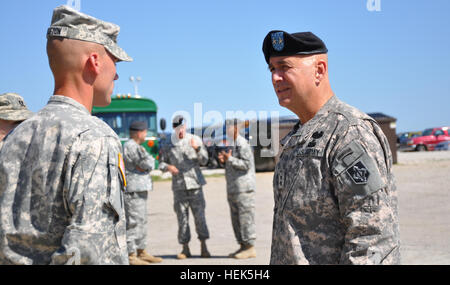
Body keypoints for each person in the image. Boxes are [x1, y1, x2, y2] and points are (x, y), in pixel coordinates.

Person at [0, 5, 132, 265]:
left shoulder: (16, 135)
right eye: (114, 61)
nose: (116, 73)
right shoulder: (93, 137)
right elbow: (90, 250)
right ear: (94, 62)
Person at [262, 30, 401, 265]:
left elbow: (372, 237)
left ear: (319, 70)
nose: (275, 77)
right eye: (272, 69)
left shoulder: (348, 132)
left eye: (284, 67)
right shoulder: (299, 136)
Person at [158, 115, 211, 259]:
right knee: (182, 218)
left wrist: (198, 149)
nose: (180, 131)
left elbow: (205, 160)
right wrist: (168, 167)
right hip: (179, 186)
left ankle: (204, 246)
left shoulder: (195, 139)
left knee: (200, 217)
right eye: (177, 128)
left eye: (182, 128)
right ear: (173, 128)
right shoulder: (167, 143)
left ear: (185, 126)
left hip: (195, 185)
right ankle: (185, 248)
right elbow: (161, 163)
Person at [123, 121, 163, 265]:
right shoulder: (131, 146)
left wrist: (146, 165)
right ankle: (131, 255)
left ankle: (141, 251)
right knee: (133, 222)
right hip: (133, 189)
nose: (146, 135)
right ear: (139, 133)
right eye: (145, 132)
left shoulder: (137, 146)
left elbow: (148, 164)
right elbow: (148, 164)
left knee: (141, 221)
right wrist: (146, 166)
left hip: (139, 188)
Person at [218, 119, 257, 259]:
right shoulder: (232, 145)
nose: (228, 130)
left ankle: (250, 247)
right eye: (226, 127)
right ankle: (242, 245)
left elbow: (247, 164)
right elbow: (234, 165)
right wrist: (225, 160)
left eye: (230, 127)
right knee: (236, 219)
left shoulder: (242, 144)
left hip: (244, 189)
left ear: (236, 128)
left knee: (246, 218)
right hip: (234, 188)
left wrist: (230, 159)